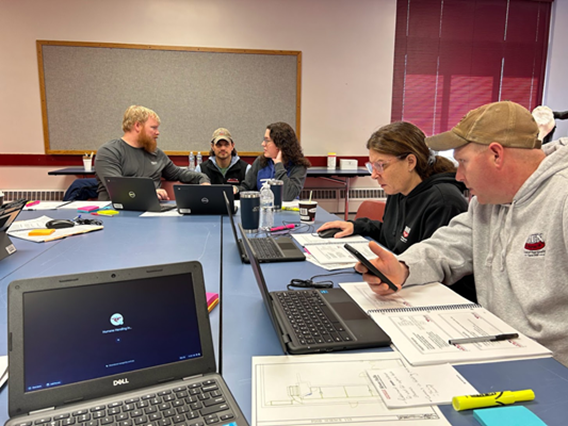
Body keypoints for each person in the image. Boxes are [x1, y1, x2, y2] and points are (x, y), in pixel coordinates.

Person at [355, 101, 568, 367]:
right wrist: (402, 268)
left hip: (552, 367)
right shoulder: (486, 203)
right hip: (496, 347)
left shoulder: (562, 196)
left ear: (496, 155)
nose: (459, 175)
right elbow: (446, 247)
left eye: (464, 162)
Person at [318, 121, 475, 302]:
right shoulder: (398, 190)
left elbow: (435, 270)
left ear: (410, 162)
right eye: (372, 166)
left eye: (381, 165)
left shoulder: (443, 201)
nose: (374, 175)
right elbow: (392, 235)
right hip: (401, 286)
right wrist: (355, 226)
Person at [95, 105, 210, 201]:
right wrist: (150, 193)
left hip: (152, 213)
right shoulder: (109, 152)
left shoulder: (156, 154)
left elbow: (178, 173)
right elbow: (117, 188)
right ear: (137, 126)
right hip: (116, 214)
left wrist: (202, 179)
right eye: (153, 128)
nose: (158, 132)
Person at [237, 122, 310, 201]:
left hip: (288, 211)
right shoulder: (260, 162)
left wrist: (278, 165)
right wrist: (235, 190)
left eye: (267, 140)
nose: (263, 144)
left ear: (280, 144)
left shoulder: (298, 166)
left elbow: (287, 196)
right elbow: (246, 188)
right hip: (263, 210)